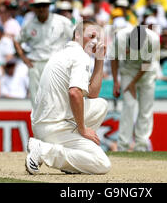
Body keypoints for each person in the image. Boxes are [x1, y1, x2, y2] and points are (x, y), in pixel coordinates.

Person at [25, 21, 111, 175]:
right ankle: (43, 150)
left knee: (101, 105)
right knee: (102, 164)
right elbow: (75, 93)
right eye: (91, 36)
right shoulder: (80, 56)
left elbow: (92, 94)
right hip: (54, 127)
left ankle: (69, 161)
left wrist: (99, 61)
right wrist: (83, 129)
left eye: (98, 38)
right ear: (77, 35)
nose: (95, 42)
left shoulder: (64, 53)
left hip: (46, 124)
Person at [14, 0, 73, 108]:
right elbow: (17, 40)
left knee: (57, 98)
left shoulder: (62, 22)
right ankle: (39, 124)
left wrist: (69, 57)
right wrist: (24, 58)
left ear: (49, 6)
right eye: (38, 6)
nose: (41, 8)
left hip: (56, 63)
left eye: (44, 5)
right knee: (37, 100)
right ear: (34, 8)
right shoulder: (29, 24)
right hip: (35, 64)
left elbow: (77, 37)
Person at [110, 25, 160, 151]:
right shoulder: (120, 37)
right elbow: (114, 58)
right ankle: (123, 145)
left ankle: (141, 146)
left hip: (147, 74)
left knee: (146, 108)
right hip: (128, 70)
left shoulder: (153, 39)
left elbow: (146, 64)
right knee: (129, 105)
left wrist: (133, 83)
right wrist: (116, 81)